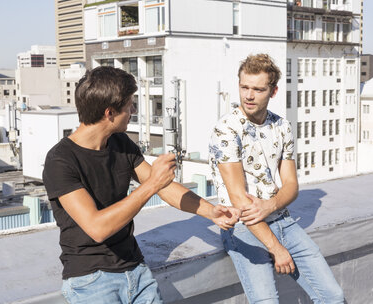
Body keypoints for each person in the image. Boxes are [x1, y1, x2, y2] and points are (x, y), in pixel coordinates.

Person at [43, 66, 239, 304]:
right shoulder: (60, 161)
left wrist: (211, 212)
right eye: (129, 106)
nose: (133, 111)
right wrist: (152, 185)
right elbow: (97, 228)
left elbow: (164, 187)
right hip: (90, 280)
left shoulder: (120, 142)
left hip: (136, 271)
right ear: (110, 113)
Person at [209, 54, 344, 303]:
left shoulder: (281, 126)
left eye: (258, 89)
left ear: (273, 91)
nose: (249, 95)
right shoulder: (226, 130)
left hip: (282, 221)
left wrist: (271, 205)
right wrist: (276, 249)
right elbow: (240, 200)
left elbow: (291, 186)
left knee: (333, 296)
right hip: (243, 227)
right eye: (244, 87)